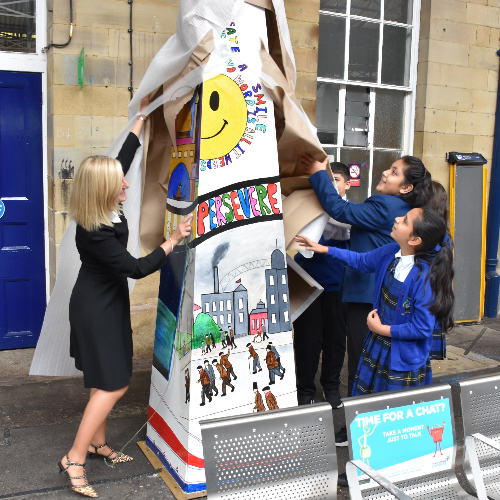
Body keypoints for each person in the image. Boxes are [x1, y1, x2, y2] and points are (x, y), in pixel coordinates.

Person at [59, 95, 193, 498]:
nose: (127, 184)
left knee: (104, 378)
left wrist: (141, 117)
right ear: (103, 191)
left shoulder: (103, 204)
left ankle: (98, 445)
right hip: (95, 308)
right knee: (114, 385)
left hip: (107, 302)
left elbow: (125, 155)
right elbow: (135, 268)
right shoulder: (95, 230)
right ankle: (74, 459)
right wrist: (172, 240)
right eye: (120, 183)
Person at [297, 208, 454, 429]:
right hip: (378, 346)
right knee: (370, 400)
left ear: (415, 239)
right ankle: (364, 442)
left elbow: (421, 329)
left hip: (403, 357)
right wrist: (324, 249)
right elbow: (360, 261)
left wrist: (381, 329)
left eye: (405, 220)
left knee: (399, 414)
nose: (397, 219)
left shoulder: (424, 278)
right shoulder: (391, 252)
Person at [300, 154, 432, 402]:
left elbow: (339, 209)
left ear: (406, 187)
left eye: (394, 172)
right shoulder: (398, 219)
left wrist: (319, 173)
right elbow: (362, 258)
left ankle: (357, 426)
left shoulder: (386, 206)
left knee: (363, 365)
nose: (385, 173)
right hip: (377, 295)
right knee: (371, 363)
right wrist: (324, 249)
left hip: (369, 297)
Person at [293, 163, 351, 408]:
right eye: (327, 180)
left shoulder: (352, 212)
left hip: (338, 285)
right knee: (307, 341)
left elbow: (346, 233)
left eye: (336, 179)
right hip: (307, 283)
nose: (331, 185)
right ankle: (305, 391)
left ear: (347, 184)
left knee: (336, 341)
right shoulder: (307, 208)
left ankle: (331, 387)